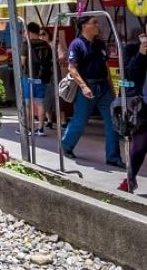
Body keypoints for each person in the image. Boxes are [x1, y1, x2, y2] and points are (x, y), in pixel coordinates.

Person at [61, 17, 123, 167]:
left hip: (104, 88)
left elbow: (106, 68)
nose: (97, 25)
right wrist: (83, 86)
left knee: (113, 121)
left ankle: (113, 157)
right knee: (80, 120)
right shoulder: (77, 44)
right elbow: (72, 68)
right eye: (94, 22)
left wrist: (112, 90)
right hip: (87, 86)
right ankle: (66, 146)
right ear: (84, 26)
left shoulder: (100, 44)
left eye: (97, 22)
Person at [118, 31, 147, 192]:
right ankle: (129, 180)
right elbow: (128, 74)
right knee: (139, 146)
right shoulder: (131, 49)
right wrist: (141, 55)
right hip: (141, 105)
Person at [20, 22, 53, 137]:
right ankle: (40, 128)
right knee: (40, 103)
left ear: (28, 31)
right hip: (42, 78)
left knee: (27, 104)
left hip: (29, 77)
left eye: (24, 31)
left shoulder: (26, 44)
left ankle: (29, 128)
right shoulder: (46, 44)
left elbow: (23, 62)